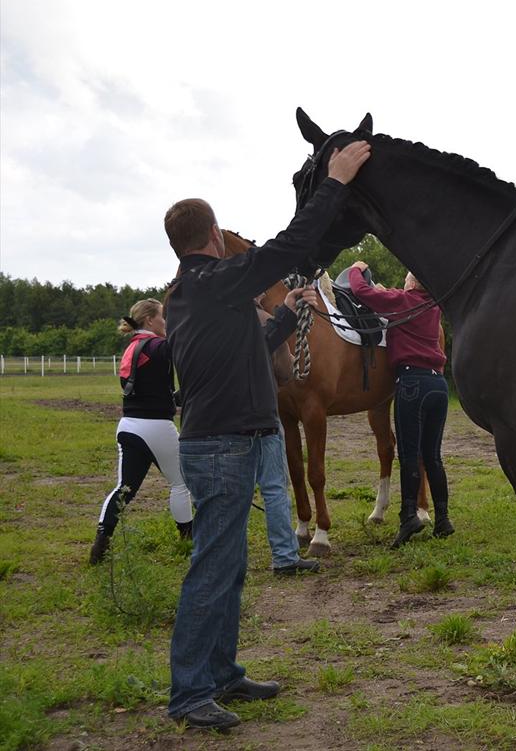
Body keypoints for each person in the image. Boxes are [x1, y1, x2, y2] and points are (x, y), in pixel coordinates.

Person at [162, 139, 370, 731]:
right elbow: (292, 245)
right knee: (212, 568)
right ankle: (190, 693)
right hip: (223, 447)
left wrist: (286, 315)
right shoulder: (213, 280)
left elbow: (246, 347)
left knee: (226, 567)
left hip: (230, 441)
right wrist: (334, 181)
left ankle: (222, 673)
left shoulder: (194, 295)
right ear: (217, 235)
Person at [345, 263, 452, 548]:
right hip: (439, 387)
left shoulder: (402, 301)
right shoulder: (433, 306)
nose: (403, 283)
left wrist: (356, 268)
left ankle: (408, 517)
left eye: (406, 280)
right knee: (433, 456)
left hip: (412, 383)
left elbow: (360, 290)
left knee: (408, 454)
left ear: (412, 285)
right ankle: (442, 519)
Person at [89, 299, 194, 565]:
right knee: (180, 483)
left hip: (128, 426)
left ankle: (100, 546)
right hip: (157, 426)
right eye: (163, 317)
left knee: (123, 489)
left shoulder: (132, 347)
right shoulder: (159, 346)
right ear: (149, 320)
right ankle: (187, 539)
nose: (166, 323)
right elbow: (188, 350)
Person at [253, 299, 318, 577]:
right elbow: (285, 372)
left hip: (220, 420)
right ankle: (284, 557)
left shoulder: (211, 318)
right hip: (261, 416)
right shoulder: (267, 321)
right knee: (274, 489)